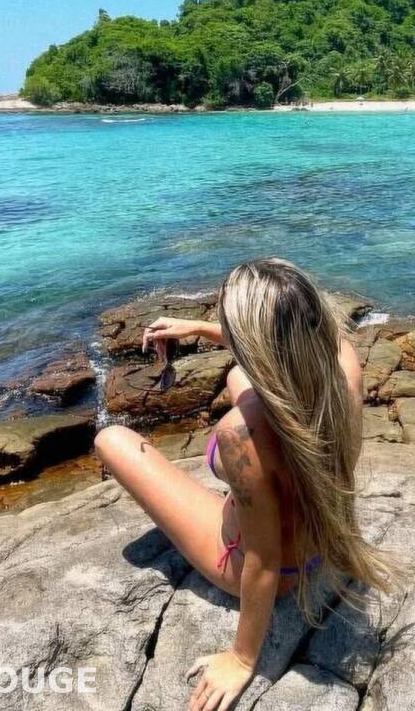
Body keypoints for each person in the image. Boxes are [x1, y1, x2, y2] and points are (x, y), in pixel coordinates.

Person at [96, 259, 389, 711]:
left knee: (112, 440)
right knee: (237, 376)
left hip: (270, 565)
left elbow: (264, 561)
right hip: (319, 536)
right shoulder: (341, 360)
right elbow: (275, 345)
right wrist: (199, 328)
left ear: (250, 342)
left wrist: (241, 658)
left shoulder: (241, 435)